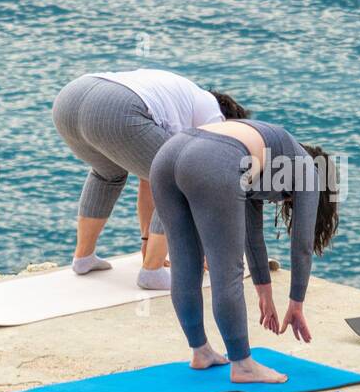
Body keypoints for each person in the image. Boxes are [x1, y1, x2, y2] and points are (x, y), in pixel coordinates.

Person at [149, 118, 338, 383]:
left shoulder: (264, 156)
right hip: (212, 159)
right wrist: (296, 304)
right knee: (227, 271)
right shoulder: (308, 169)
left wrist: (265, 291)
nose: (284, 202)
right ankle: (243, 365)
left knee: (185, 263)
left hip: (168, 155)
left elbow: (253, 234)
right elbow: (303, 245)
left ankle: (201, 352)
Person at [51, 69, 248, 289]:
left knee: (107, 174)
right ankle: (152, 272)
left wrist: (147, 241)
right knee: (180, 181)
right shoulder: (214, 115)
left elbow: (150, 179)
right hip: (115, 107)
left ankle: (83, 258)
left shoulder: (178, 101)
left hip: (69, 100)